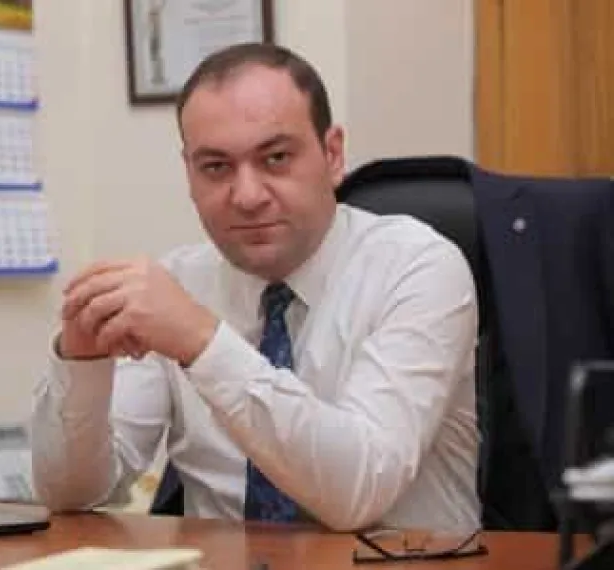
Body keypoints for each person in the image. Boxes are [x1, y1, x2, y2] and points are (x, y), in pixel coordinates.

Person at [31, 43, 480, 533]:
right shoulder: (178, 281)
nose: (246, 196)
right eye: (216, 167)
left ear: (332, 155)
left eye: (276, 158)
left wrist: (202, 342)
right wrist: (83, 365)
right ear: (189, 174)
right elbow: (72, 497)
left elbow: (361, 491)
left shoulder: (419, 267)